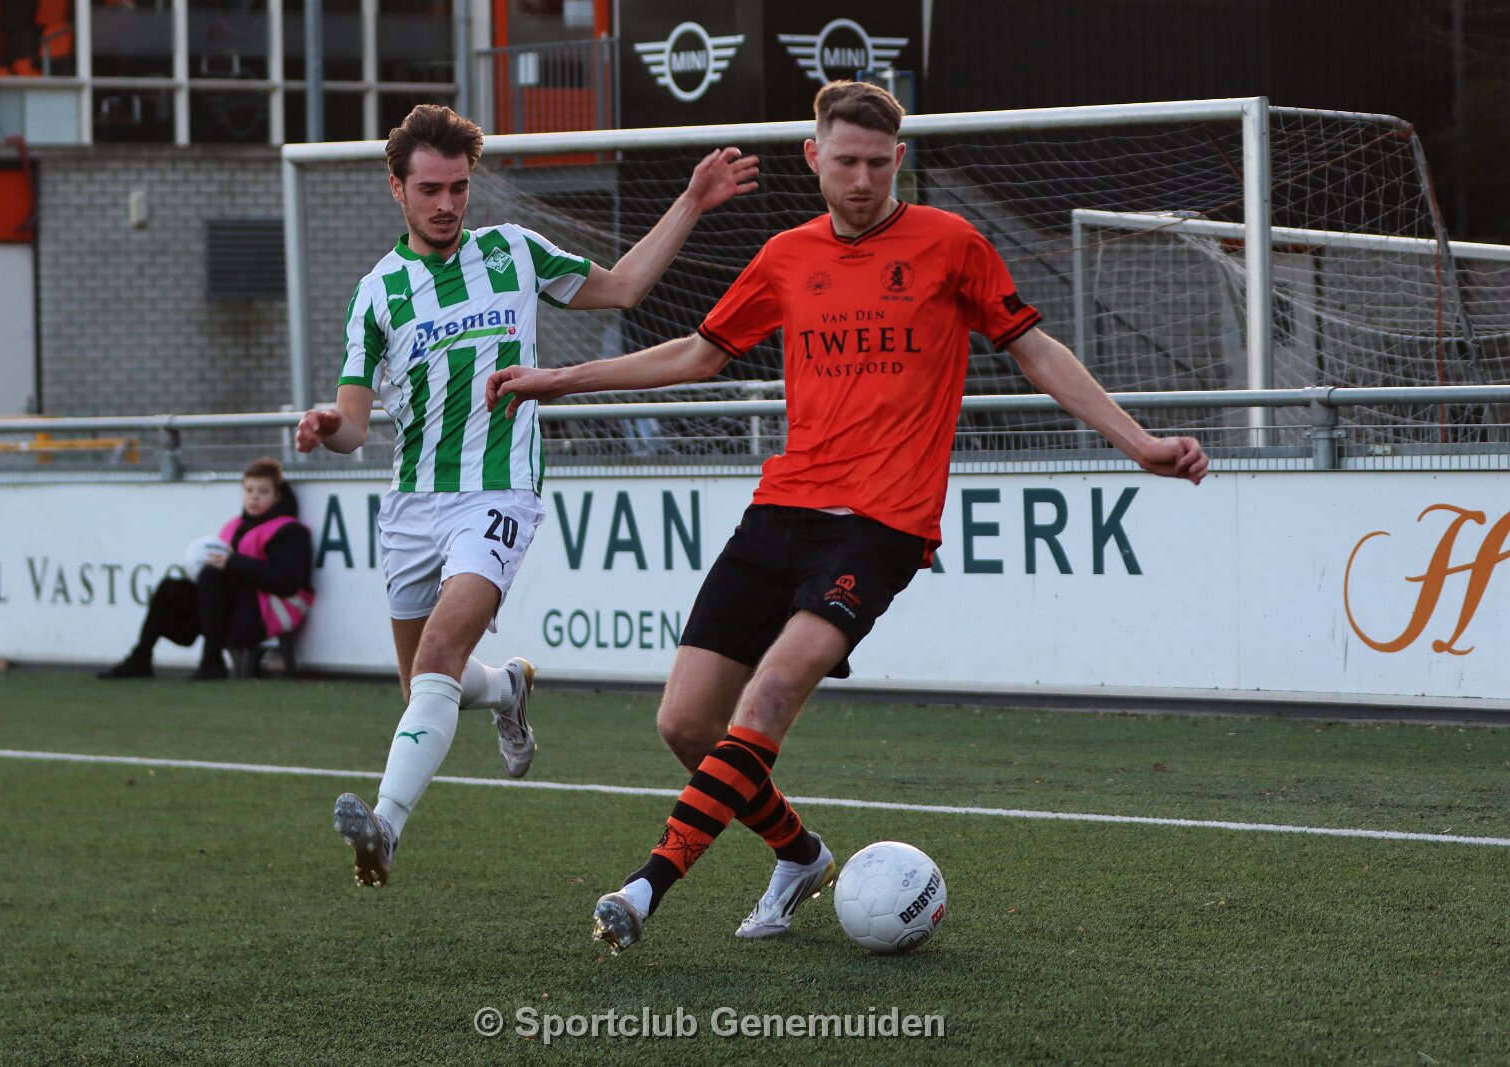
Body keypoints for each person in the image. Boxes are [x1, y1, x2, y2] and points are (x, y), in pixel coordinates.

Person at [485, 80, 1211, 953]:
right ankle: (800, 854)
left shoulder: (952, 243)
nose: (862, 180)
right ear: (814, 157)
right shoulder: (787, 255)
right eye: (846, 162)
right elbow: (699, 353)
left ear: (898, 159)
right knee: (684, 724)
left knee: (772, 692)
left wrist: (1138, 442)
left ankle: (646, 886)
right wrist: (558, 380)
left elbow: (1036, 350)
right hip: (780, 509)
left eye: (877, 163)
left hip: (882, 523)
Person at [294, 104, 759, 890]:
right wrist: (325, 424)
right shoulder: (376, 294)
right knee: (425, 688)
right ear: (397, 189)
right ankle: (508, 686)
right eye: (430, 189)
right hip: (411, 505)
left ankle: (386, 827)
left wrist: (690, 201)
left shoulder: (513, 250)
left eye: (459, 187)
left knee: (437, 658)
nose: (447, 203)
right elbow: (355, 425)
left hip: (499, 490)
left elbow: (624, 288)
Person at [98, 457, 315, 681]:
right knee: (170, 588)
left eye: (263, 491)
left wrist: (233, 562)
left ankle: (212, 662)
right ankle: (141, 658)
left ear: (277, 496)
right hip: (231, 608)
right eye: (249, 490)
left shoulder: (291, 532)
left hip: (267, 614)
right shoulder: (234, 526)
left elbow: (287, 582)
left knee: (212, 577)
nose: (254, 497)